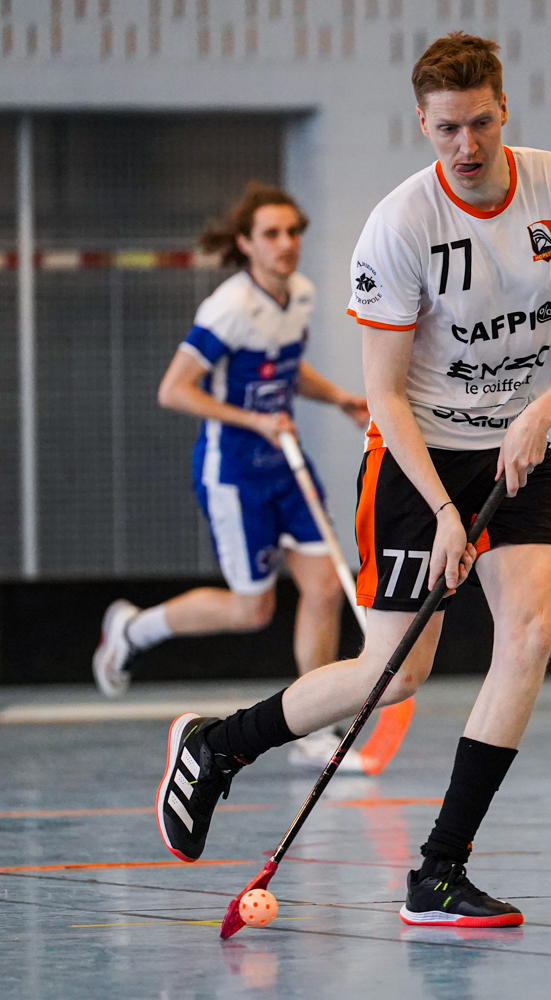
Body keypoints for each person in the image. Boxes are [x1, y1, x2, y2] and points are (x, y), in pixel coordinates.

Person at [152, 32, 551, 927]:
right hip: (417, 455)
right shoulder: (401, 223)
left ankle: (438, 873)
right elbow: (382, 394)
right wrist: (448, 511)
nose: (468, 145)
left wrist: (538, 413)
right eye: (448, 128)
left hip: (516, 444)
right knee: (395, 672)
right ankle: (219, 747)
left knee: (529, 632)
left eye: (482, 122)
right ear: (424, 122)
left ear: (504, 109)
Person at [92, 182, 372, 771]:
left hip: (286, 469)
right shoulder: (227, 309)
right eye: (271, 234)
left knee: (324, 588)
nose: (286, 243)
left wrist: (341, 397)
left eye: (293, 231)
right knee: (254, 611)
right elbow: (174, 390)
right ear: (246, 243)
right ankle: (134, 629)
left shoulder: (299, 295)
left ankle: (315, 731)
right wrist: (253, 421)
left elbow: (286, 371)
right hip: (234, 473)